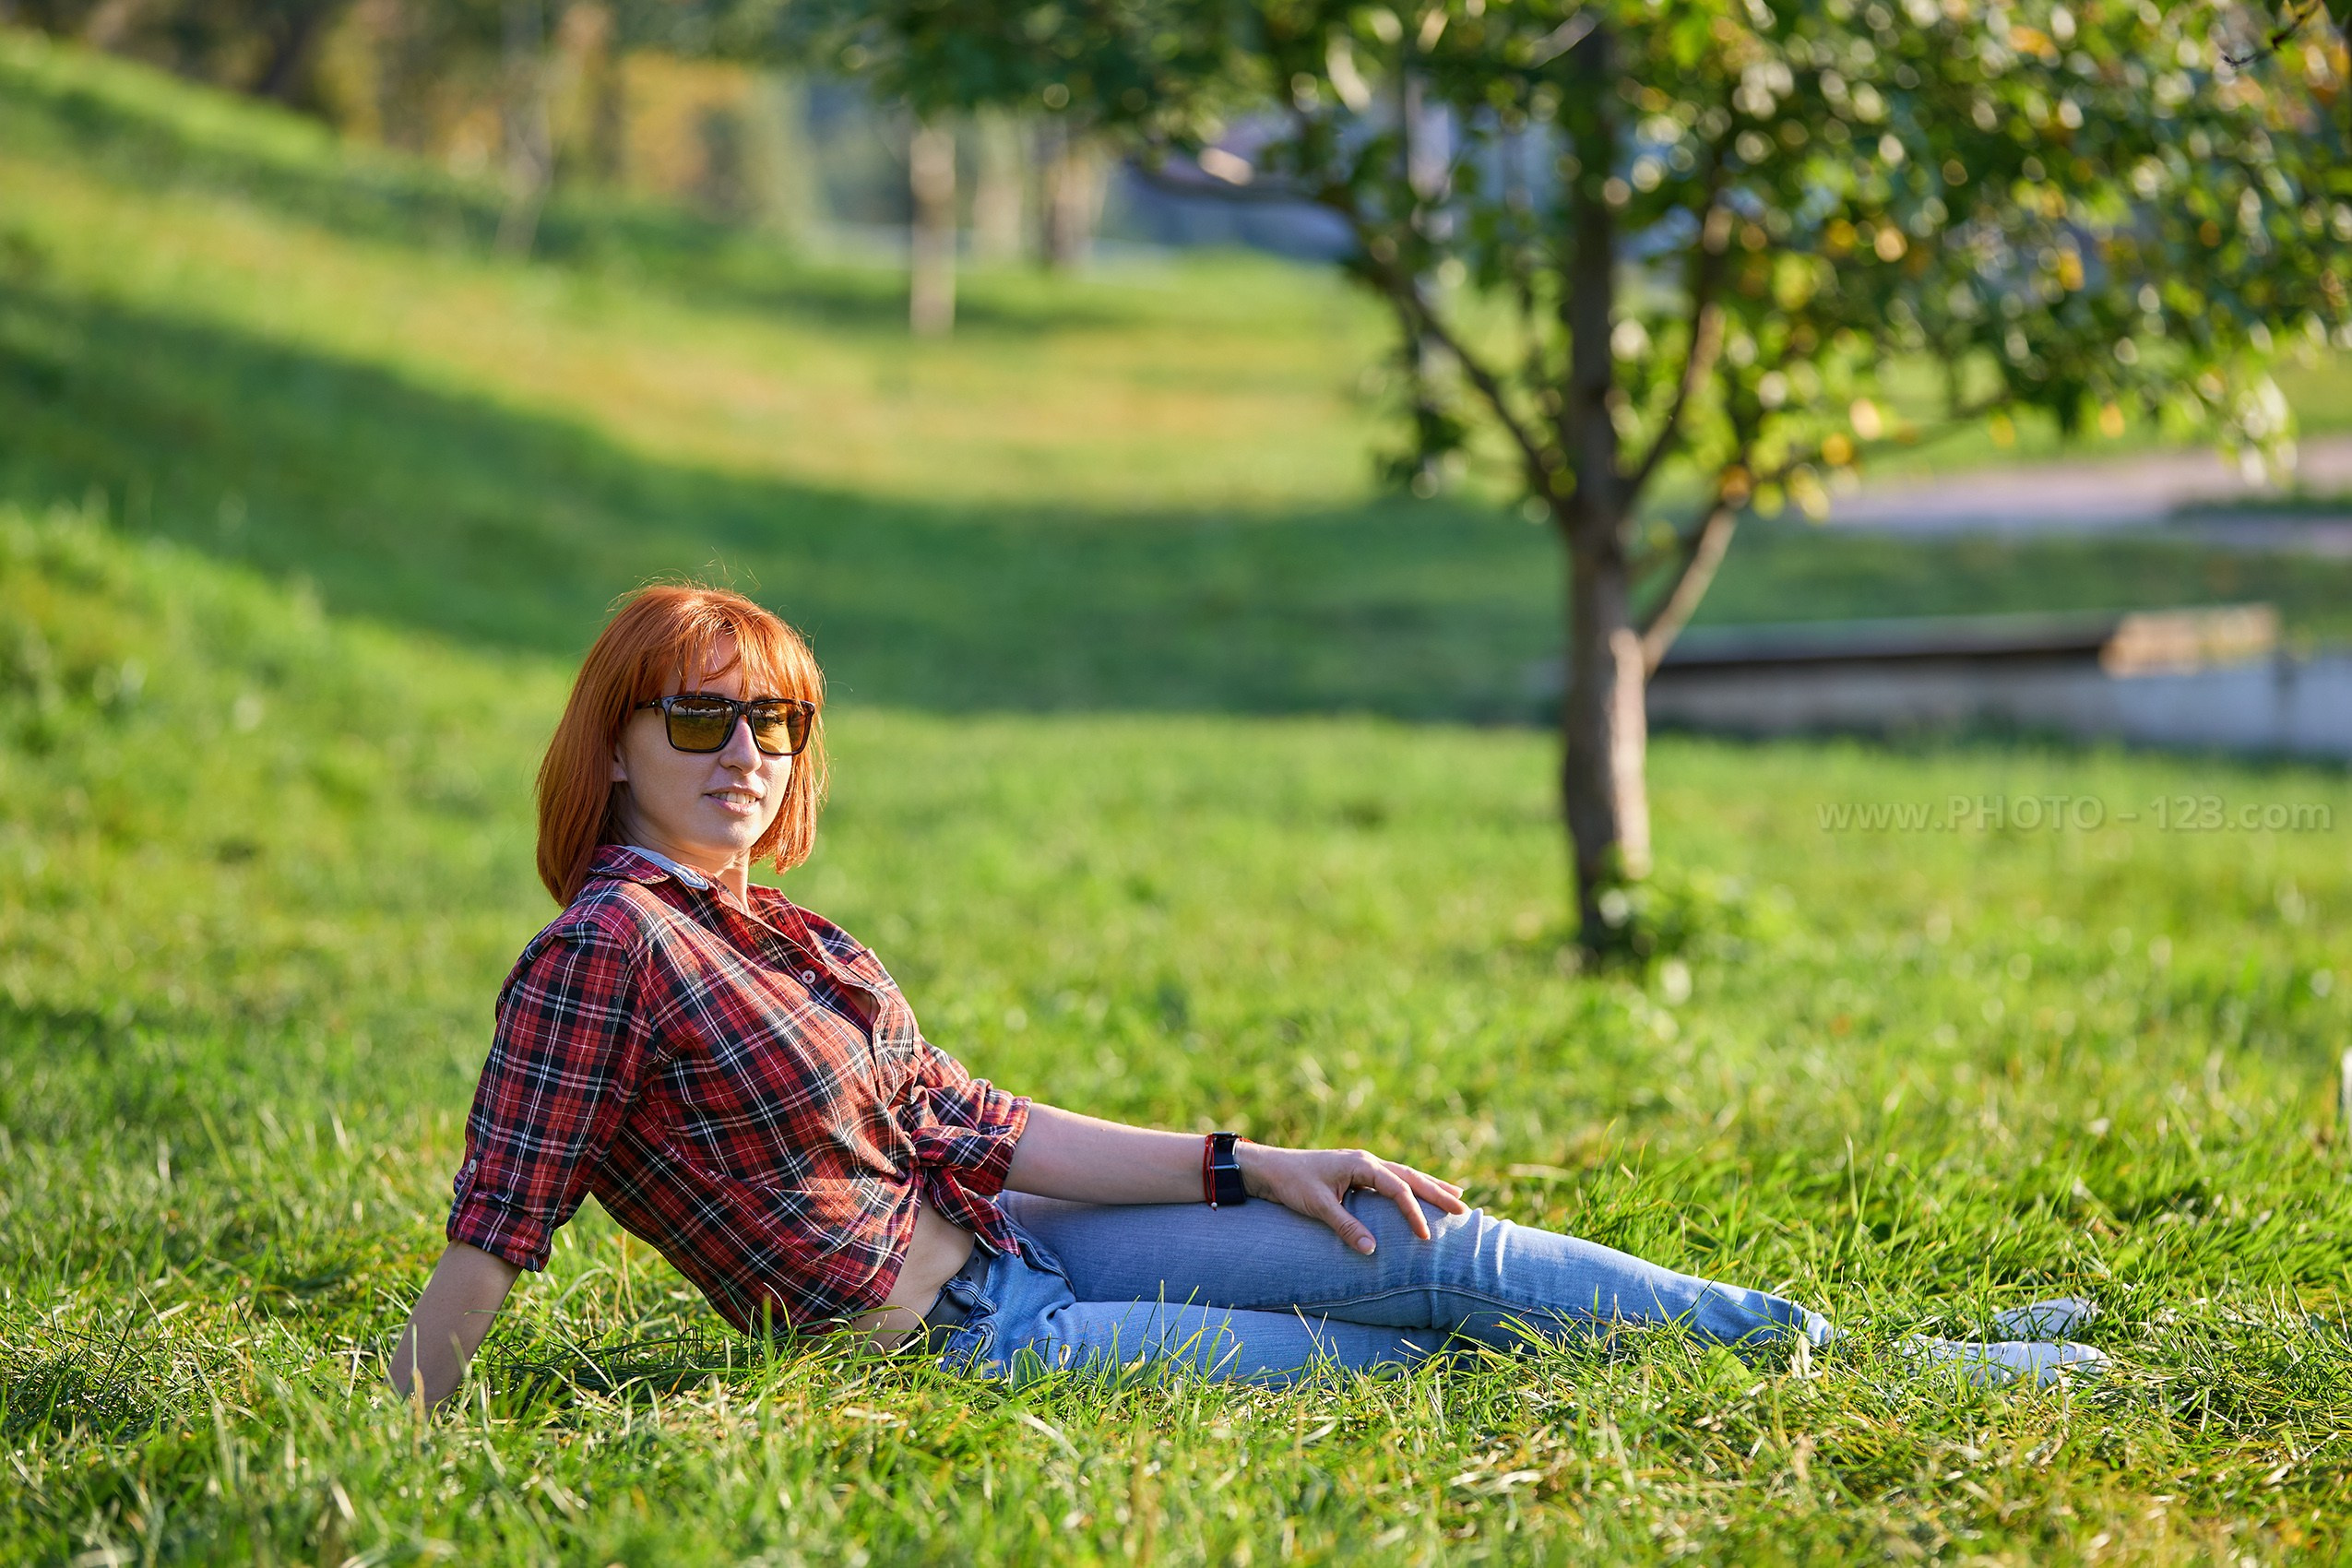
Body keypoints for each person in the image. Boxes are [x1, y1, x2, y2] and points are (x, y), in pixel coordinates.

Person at [390, 585, 2105, 1406]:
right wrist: (410, 1426)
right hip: (977, 1342)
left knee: (1438, 1250)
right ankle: (1873, 1379)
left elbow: (973, 1121)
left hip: (1027, 1243)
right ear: (611, 747)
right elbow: (505, 1210)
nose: (746, 756)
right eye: (700, 720)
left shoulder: (785, 937)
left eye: (776, 724)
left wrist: (1252, 1161)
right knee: (1381, 1371)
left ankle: (1884, 1356)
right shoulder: (602, 955)